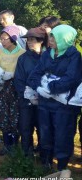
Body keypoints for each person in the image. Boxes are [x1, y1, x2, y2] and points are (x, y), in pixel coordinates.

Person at [27, 24, 81, 171]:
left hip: (64, 106)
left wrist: (50, 87)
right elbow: (34, 75)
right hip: (45, 103)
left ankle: (62, 167)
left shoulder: (74, 56)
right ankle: (46, 162)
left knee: (63, 134)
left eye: (54, 37)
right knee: (45, 132)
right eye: (51, 36)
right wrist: (39, 87)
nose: (50, 39)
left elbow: (71, 79)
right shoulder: (47, 54)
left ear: (65, 39)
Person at [14, 27, 47, 156]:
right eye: (28, 39)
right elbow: (18, 79)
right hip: (26, 100)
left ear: (41, 41)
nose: (29, 42)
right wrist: (27, 95)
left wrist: (42, 94)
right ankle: (26, 155)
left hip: (44, 99)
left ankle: (43, 155)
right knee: (25, 127)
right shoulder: (22, 59)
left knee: (43, 128)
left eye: (32, 39)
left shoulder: (47, 57)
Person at [0, 26, 26, 156]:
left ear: (13, 38)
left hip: (15, 88)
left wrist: (12, 74)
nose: (2, 41)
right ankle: (6, 144)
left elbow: (22, 72)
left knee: (15, 116)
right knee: (2, 115)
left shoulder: (22, 53)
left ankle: (14, 144)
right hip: (1, 87)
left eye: (5, 39)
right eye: (0, 39)